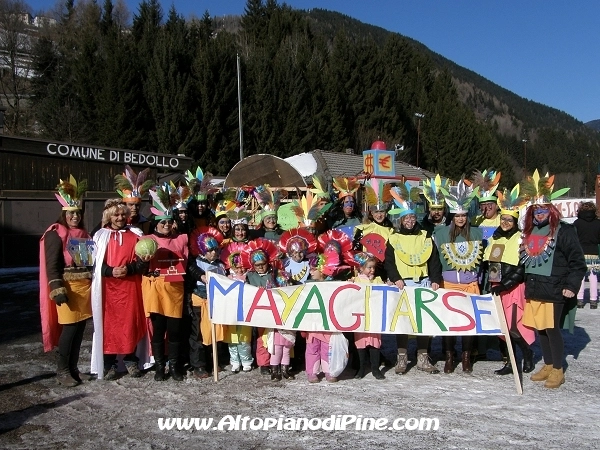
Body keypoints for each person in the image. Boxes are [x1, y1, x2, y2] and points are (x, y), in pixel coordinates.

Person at [520, 170, 586, 389]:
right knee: (540, 328)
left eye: (543, 210)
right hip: (535, 287)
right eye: (536, 210)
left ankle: (558, 369)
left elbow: (578, 262)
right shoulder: (530, 231)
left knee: (551, 328)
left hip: (555, 288)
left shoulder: (564, 231)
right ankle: (548, 364)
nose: (540, 214)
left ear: (551, 210)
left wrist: (571, 285)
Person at [40, 175, 93, 387]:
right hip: (67, 288)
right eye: (71, 213)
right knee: (69, 330)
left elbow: (88, 262)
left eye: (78, 213)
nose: (75, 216)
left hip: (83, 288)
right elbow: (52, 265)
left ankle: (73, 368)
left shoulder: (84, 233)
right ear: (64, 213)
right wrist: (57, 288)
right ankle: (62, 370)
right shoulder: (56, 233)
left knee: (79, 330)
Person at [384, 183, 442, 375]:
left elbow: (434, 260)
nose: (409, 221)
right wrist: (395, 278)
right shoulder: (394, 238)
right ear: (400, 220)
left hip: (423, 282)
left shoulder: (425, 236)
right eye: (406, 218)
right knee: (403, 321)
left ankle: (423, 357)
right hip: (403, 284)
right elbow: (389, 262)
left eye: (412, 217)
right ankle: (402, 357)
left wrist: (435, 278)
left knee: (422, 321)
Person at [90, 199, 150, 380]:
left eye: (123, 214)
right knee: (109, 325)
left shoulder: (136, 234)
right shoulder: (100, 236)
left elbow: (142, 262)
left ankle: (131, 360)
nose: (120, 218)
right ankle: (109, 363)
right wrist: (110, 271)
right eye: (116, 215)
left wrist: (129, 269)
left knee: (130, 323)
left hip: (130, 287)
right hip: (107, 289)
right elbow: (93, 263)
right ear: (109, 216)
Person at [483, 185, 535, 375]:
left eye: (509, 220)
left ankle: (527, 353)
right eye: (503, 219)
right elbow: (492, 264)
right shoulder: (495, 237)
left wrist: (505, 285)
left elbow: (521, 269)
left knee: (512, 327)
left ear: (515, 221)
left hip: (512, 290)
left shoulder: (520, 238)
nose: (505, 222)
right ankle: (509, 362)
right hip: (497, 288)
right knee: (501, 328)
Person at [434, 179, 484, 373]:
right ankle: (449, 356)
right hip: (449, 284)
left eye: (463, 215)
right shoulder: (441, 233)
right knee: (450, 322)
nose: (461, 219)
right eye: (457, 215)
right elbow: (435, 260)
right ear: (452, 216)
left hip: (470, 284)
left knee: (469, 322)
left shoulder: (477, 233)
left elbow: (483, 260)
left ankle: (466, 356)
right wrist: (436, 280)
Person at [142, 185, 189, 381]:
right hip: (155, 289)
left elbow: (187, 263)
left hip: (175, 288)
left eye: (170, 221)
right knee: (158, 330)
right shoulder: (147, 240)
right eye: (163, 222)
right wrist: (144, 264)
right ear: (156, 223)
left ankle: (175, 365)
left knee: (175, 331)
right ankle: (160, 366)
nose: (167, 225)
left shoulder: (181, 239)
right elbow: (140, 266)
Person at [241, 238, 294, 381]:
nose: (260, 267)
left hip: (276, 310)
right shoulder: (250, 276)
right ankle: (264, 363)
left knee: (279, 338)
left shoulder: (275, 273)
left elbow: (285, 287)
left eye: (263, 264)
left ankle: (280, 363)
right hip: (260, 312)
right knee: (262, 338)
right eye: (257, 265)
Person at [186, 227, 227, 377]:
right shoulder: (196, 263)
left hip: (216, 302)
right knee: (198, 333)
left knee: (214, 331)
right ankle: (199, 364)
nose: (213, 253)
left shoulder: (221, 265)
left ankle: (214, 361)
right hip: (200, 301)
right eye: (209, 250)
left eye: (215, 249)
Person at [220, 241, 253, 373]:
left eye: (242, 267)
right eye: (236, 267)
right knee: (232, 339)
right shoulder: (228, 278)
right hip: (231, 310)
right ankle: (234, 361)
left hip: (244, 310)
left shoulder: (249, 277)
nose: (240, 270)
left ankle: (246, 361)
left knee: (244, 338)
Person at [352, 252, 385, 380]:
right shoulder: (356, 280)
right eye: (369, 267)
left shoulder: (377, 280)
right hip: (361, 316)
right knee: (361, 342)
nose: (372, 270)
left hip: (374, 316)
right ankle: (361, 368)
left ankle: (375, 369)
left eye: (373, 267)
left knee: (375, 342)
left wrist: (389, 285)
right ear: (361, 268)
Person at [573, 201, 600, 309]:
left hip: (580, 252)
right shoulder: (598, 223)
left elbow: (573, 238)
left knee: (581, 276)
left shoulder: (577, 223)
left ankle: (580, 299)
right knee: (593, 276)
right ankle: (593, 300)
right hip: (594, 252)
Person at [114, 165, 154, 235]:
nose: (134, 208)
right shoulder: (116, 222)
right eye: (131, 204)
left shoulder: (146, 225)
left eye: (137, 205)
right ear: (124, 205)